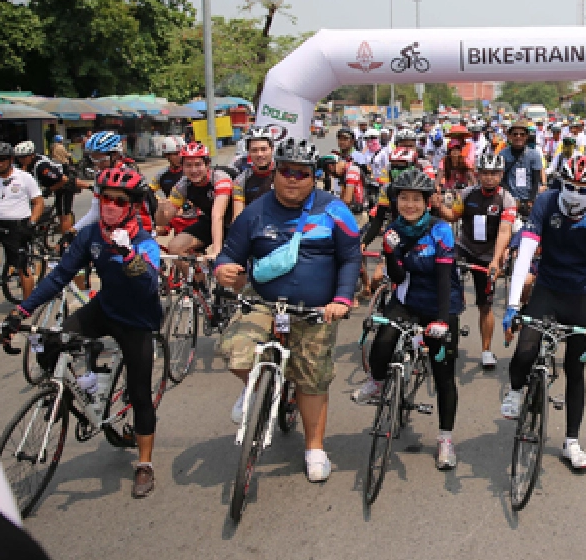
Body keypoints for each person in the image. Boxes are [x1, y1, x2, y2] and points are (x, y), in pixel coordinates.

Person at [1, 166, 164, 497]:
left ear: (133, 206)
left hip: (137, 320)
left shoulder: (143, 242)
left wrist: (128, 254)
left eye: (120, 201)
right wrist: (20, 311)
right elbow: (59, 276)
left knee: (140, 393)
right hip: (104, 309)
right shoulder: (91, 236)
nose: (110, 205)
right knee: (51, 342)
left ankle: (144, 464)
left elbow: (148, 285)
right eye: (105, 198)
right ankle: (64, 393)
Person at [214, 138, 360, 482]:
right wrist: (223, 269)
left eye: (302, 173)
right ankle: (259, 385)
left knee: (311, 379)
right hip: (264, 302)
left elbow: (351, 257)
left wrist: (341, 299)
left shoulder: (335, 209)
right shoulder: (255, 211)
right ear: (275, 173)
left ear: (313, 177)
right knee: (235, 350)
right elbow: (229, 254)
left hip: (316, 309)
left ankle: (314, 448)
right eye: (286, 171)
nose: (293, 179)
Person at [499, 157, 586, 470]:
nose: (576, 193)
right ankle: (515, 390)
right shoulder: (547, 202)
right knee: (525, 349)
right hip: (548, 288)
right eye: (571, 187)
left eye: (584, 188)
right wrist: (512, 305)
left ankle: (572, 442)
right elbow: (525, 253)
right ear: (560, 184)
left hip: (582, 295)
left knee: (576, 370)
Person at [353, 168, 464, 470]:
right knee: (384, 339)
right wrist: (390, 252)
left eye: (417, 199)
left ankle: (444, 439)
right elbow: (399, 275)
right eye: (404, 198)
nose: (410, 205)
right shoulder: (395, 230)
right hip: (407, 300)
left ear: (427, 202)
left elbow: (444, 279)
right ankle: (376, 382)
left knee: (444, 375)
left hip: (442, 304)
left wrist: (442, 321)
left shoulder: (440, 230)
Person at [437, 152, 515, 369]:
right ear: (478, 174)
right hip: (464, 248)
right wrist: (437, 206)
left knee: (485, 305)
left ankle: (486, 350)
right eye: (485, 173)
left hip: (489, 255)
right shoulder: (468, 193)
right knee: (443, 290)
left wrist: (496, 261)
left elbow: (504, 231)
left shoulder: (506, 199)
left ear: (501, 174)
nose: (489, 177)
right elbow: (453, 216)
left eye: (494, 173)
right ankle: (440, 336)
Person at [0, 142, 44, 300]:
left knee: (21, 266)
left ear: (11, 159)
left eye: (2, 159)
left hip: (17, 225)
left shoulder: (24, 178)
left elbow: (38, 202)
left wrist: (31, 223)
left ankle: (27, 305)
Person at [157, 142, 233, 259]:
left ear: (207, 165)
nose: (193, 170)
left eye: (198, 165)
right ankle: (199, 276)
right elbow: (163, 221)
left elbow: (217, 215)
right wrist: (161, 209)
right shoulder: (182, 185)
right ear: (182, 167)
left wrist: (216, 251)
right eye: (188, 165)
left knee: (224, 259)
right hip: (209, 223)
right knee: (174, 247)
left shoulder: (220, 178)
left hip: (232, 223)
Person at [497, 120, 545, 217]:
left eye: (522, 134)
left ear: (526, 136)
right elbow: (501, 179)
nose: (518, 137)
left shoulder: (534, 155)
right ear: (509, 136)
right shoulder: (503, 154)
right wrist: (510, 198)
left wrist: (531, 201)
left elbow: (536, 180)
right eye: (515, 134)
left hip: (529, 201)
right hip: (509, 200)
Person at [231, 127, 276, 218]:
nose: (259, 154)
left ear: (272, 149)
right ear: (249, 153)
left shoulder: (283, 173)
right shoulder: (240, 181)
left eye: (264, 149)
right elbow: (238, 217)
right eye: (254, 150)